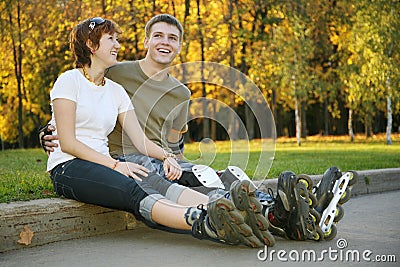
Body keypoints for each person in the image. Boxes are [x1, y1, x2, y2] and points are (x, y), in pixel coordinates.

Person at [41, 14, 351, 242]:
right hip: (127, 159)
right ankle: (263, 215)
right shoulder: (117, 71)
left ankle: (284, 211)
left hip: (160, 158)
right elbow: (77, 99)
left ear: (178, 47)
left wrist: (171, 158)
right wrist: (49, 131)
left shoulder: (179, 93)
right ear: (146, 41)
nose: (165, 42)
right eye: (158, 36)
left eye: (172, 38)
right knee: (171, 183)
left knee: (212, 175)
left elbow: (174, 143)